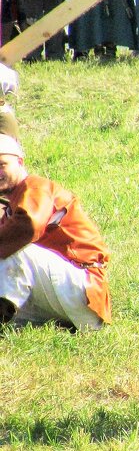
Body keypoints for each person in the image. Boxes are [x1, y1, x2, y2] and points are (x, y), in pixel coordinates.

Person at [0, 134, 110, 330]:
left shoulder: (35, 186)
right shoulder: (13, 205)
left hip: (82, 284)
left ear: (19, 162)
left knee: (14, 249)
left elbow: (28, 226)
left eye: (2, 164)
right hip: (64, 296)